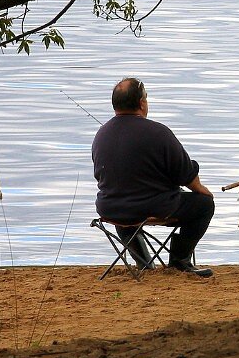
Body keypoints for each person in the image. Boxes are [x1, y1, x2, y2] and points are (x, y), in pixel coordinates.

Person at [92, 77, 215, 277]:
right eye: (146, 98)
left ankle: (143, 262)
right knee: (204, 205)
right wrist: (202, 191)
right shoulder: (159, 132)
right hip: (152, 207)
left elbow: (100, 176)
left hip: (111, 208)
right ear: (141, 103)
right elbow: (185, 173)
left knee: (125, 210)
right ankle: (180, 261)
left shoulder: (101, 134)